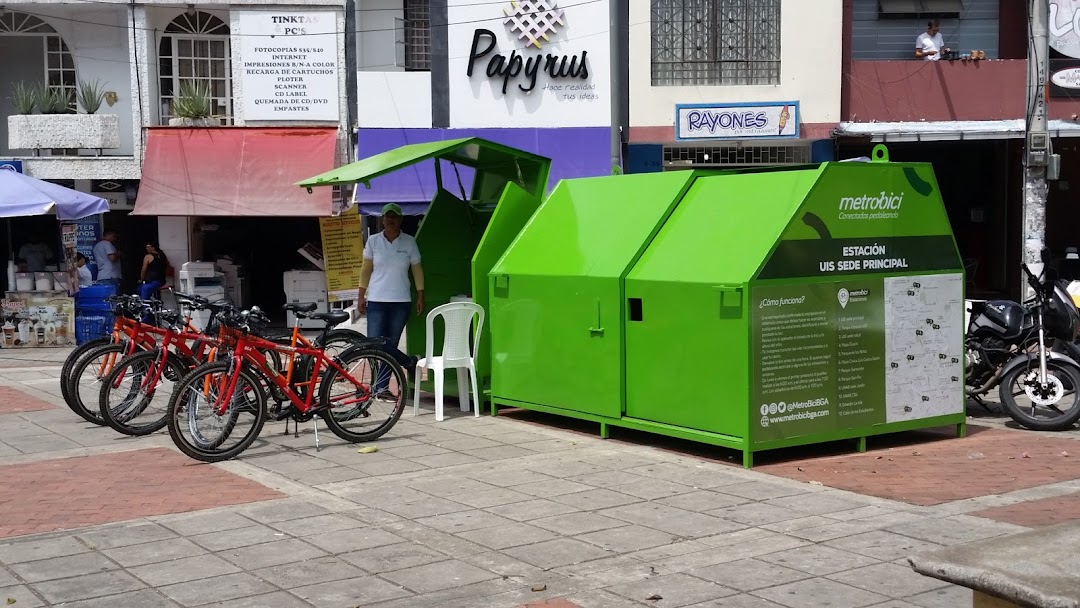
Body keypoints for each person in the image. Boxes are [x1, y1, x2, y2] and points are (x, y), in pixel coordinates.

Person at [358, 203, 424, 394]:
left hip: (401, 301)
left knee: (390, 344)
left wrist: (420, 293)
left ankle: (381, 387)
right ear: (382, 219)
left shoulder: (409, 242)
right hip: (377, 299)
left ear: (401, 219)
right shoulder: (373, 241)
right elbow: (366, 269)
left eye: (394, 216)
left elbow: (417, 269)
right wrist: (361, 295)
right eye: (387, 216)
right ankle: (409, 362)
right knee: (374, 343)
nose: (390, 219)